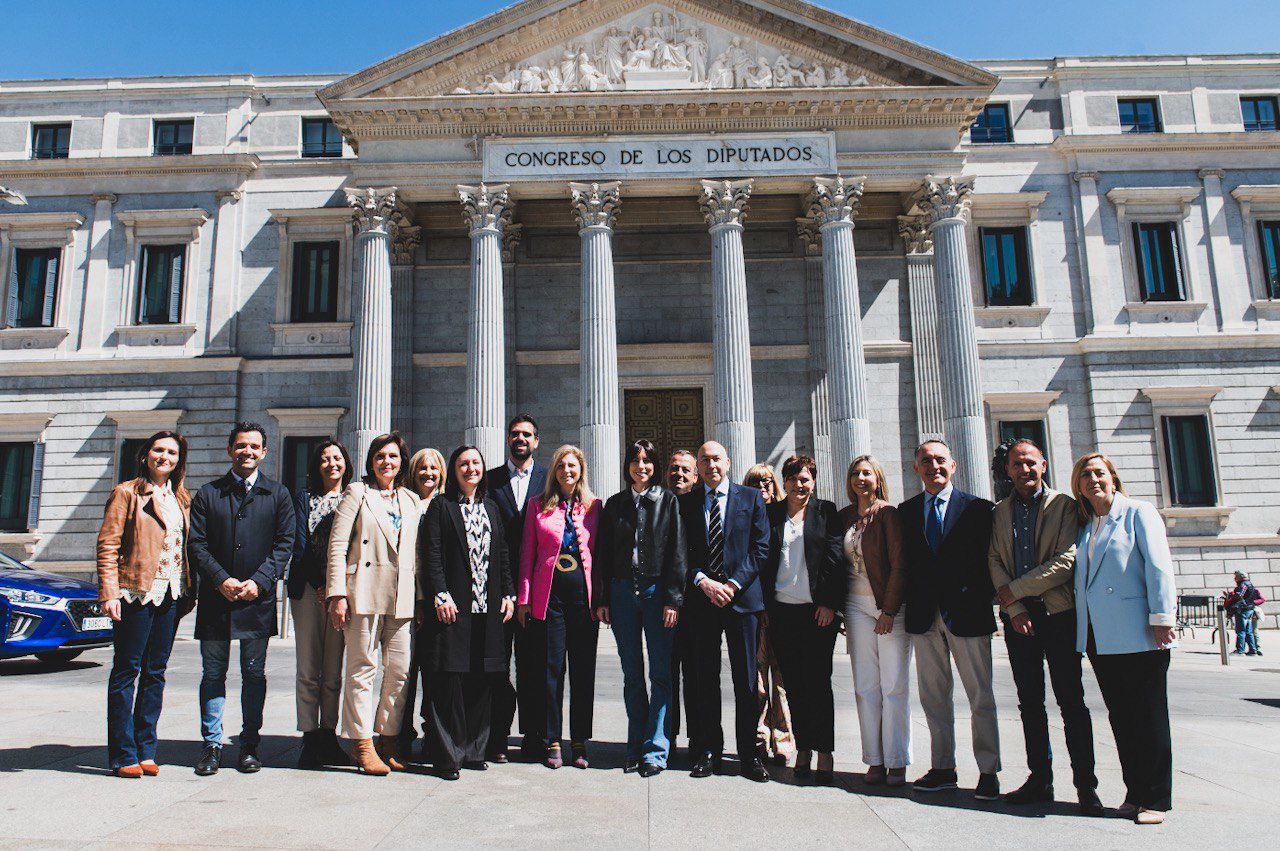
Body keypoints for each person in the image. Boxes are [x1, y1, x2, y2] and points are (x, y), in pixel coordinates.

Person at [989, 440, 1102, 815]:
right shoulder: (1000, 512)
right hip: (1019, 618)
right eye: (1016, 465)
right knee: (1030, 704)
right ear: (1008, 470)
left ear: (1044, 464)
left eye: (1030, 463)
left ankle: (1086, 785)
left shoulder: (1065, 507)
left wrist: (1013, 591)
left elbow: (1067, 561)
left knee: (1071, 702)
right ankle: (1040, 779)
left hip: (1058, 615)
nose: (1024, 470)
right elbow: (994, 559)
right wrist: (1015, 607)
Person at [1074, 452, 1177, 825]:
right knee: (1121, 718)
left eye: (1099, 473)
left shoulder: (1138, 512)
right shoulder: (1087, 526)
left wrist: (1163, 617)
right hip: (1102, 639)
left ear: (1113, 478)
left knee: (1149, 717)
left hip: (1140, 633)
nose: (1093, 480)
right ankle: (1135, 793)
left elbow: (1159, 565)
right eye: (1085, 475)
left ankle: (1157, 799)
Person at [189, 422, 296, 776]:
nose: (247, 451)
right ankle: (212, 745)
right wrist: (220, 579)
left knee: (253, 675)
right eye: (240, 445)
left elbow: (285, 543)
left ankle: (249, 743)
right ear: (229, 450)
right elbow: (197, 544)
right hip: (217, 600)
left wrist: (260, 581)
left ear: (264, 452)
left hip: (256, 601)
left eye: (253, 446)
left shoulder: (278, 494)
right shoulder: (208, 493)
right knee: (212, 673)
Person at [900, 440, 1000, 800]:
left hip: (968, 614)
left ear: (953, 466)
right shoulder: (907, 511)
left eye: (940, 460)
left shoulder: (978, 509)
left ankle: (988, 771)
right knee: (933, 697)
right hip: (925, 617)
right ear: (916, 469)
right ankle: (943, 767)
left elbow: (991, 561)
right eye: (926, 461)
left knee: (980, 696)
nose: (933, 467)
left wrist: (983, 597)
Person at [97, 431, 196, 778]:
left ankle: (146, 749)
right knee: (127, 670)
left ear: (178, 460)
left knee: (156, 673)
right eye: (158, 450)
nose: (164, 457)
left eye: (171, 452)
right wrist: (109, 592)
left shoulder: (181, 498)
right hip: (134, 592)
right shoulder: (127, 493)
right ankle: (123, 753)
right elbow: (108, 545)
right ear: (146, 454)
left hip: (171, 593)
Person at [326, 433, 422, 775]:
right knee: (361, 669)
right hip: (363, 590)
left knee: (399, 670)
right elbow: (337, 545)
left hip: (401, 596)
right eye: (380, 456)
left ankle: (389, 737)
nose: (387, 462)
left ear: (402, 461)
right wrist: (337, 593)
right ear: (371, 461)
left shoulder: (411, 499)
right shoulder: (357, 493)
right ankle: (362, 742)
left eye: (393, 456)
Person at [419, 445, 516, 780]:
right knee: (449, 679)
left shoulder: (491, 507)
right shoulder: (441, 507)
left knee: (481, 678)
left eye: (475, 463)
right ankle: (448, 755)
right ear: (454, 470)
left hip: (486, 608)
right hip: (453, 606)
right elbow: (431, 554)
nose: (470, 469)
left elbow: (502, 554)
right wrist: (440, 594)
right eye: (463, 464)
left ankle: (475, 749)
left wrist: (509, 593)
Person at [593, 439, 688, 776]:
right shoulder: (614, 505)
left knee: (660, 674)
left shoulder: (668, 501)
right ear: (627, 466)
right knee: (632, 674)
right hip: (621, 592)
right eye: (635, 461)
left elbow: (678, 552)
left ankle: (656, 750)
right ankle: (634, 746)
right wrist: (602, 599)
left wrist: (673, 599)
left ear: (655, 465)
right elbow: (602, 555)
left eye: (647, 461)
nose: (641, 466)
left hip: (656, 591)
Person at [678, 441, 771, 783]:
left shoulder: (750, 498)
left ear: (728, 463)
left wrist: (731, 585)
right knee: (705, 679)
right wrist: (703, 582)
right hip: (702, 603)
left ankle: (749, 755)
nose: (711, 465)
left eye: (716, 459)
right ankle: (707, 752)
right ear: (698, 466)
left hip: (741, 600)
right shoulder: (685, 503)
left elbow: (760, 549)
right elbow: (680, 551)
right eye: (704, 460)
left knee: (746, 681)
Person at [759, 455, 841, 784]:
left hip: (817, 613)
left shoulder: (826, 512)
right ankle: (804, 748)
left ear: (814, 481)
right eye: (793, 479)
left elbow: (835, 561)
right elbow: (764, 561)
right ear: (785, 482)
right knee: (794, 684)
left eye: (805, 479)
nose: (799, 484)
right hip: (781, 611)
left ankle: (825, 752)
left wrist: (829, 604)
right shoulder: (772, 514)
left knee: (819, 683)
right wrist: (764, 606)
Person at [518, 445, 602, 769]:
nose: (567, 471)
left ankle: (579, 741)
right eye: (562, 466)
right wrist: (524, 598)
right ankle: (552, 739)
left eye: (573, 466)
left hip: (583, 600)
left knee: (582, 671)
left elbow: (601, 556)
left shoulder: (595, 508)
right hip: (549, 598)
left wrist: (602, 601)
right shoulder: (537, 506)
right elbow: (528, 554)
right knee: (551, 670)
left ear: (581, 470)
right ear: (554, 471)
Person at [836, 455, 911, 787]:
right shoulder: (845, 517)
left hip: (887, 608)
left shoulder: (888, 514)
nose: (860, 478)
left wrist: (890, 610)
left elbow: (900, 565)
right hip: (855, 607)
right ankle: (875, 761)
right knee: (866, 687)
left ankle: (896, 760)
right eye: (855, 473)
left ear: (878, 478)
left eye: (866, 473)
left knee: (893, 686)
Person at [288, 439, 355, 770]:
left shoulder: (354, 499)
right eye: (326, 459)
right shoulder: (304, 499)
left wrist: (335, 590)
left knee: (333, 668)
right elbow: (298, 543)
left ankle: (329, 734)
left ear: (346, 463)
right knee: (308, 667)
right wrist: (319, 585)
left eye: (337, 458)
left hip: (341, 596)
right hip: (309, 594)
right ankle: (309, 736)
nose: (332, 464)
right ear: (316, 466)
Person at [486, 415, 548, 761]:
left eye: (526, 434)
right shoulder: (491, 480)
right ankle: (497, 734)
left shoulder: (547, 479)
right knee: (497, 664)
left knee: (533, 665)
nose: (520, 439)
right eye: (515, 434)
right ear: (508, 440)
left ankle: (534, 736)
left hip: (536, 590)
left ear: (536, 441)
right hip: (499, 590)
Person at [744, 463, 794, 767]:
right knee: (758, 680)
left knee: (781, 680)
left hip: (784, 608)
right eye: (754, 483)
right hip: (755, 608)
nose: (762, 487)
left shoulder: (782, 517)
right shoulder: (745, 516)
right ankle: (759, 737)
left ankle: (783, 739)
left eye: (766, 482)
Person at [400, 447, 447, 749]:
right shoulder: (404, 503)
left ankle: (433, 733)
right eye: (422, 468)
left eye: (434, 468)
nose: (428, 473)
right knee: (404, 671)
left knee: (436, 672)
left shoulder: (446, 504)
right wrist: (417, 600)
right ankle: (401, 734)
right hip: (407, 598)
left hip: (439, 601)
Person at [664, 448, 699, 749]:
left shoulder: (701, 505)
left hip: (695, 604)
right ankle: (669, 736)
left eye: (686, 470)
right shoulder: (659, 504)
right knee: (666, 673)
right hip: (665, 605)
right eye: (675, 469)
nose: (679, 475)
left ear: (696, 476)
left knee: (696, 674)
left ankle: (698, 739)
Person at [1225, 571, 1264, 656]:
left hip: (1243, 610)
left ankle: (1240, 650)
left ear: (1240, 577)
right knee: (1248, 631)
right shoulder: (1250, 584)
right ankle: (1252, 650)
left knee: (1241, 631)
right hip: (1249, 609)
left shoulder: (1243, 584)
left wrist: (1231, 602)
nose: (1234, 579)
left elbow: (1239, 596)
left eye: (1236, 577)